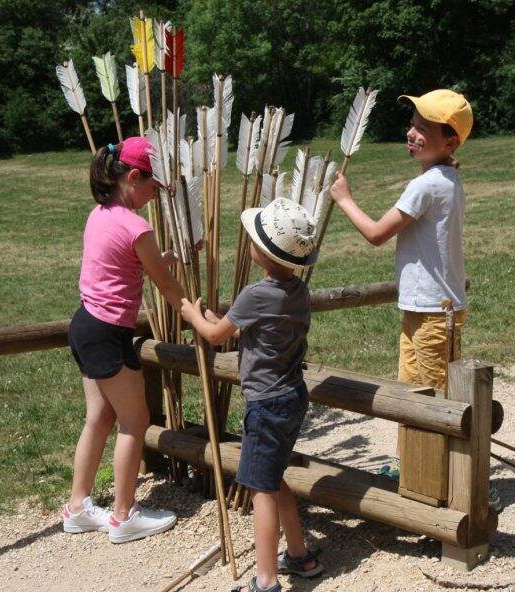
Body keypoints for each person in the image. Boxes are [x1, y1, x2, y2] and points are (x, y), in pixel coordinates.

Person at [181, 198, 323, 592]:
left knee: (261, 489)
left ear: (262, 252)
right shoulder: (297, 291)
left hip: (265, 405)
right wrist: (219, 321)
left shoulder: (254, 294)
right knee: (274, 478)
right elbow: (252, 330)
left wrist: (194, 317)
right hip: (292, 396)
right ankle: (300, 556)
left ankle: (266, 580)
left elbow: (215, 337)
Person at [62, 137, 186, 544]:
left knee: (98, 417)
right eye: (152, 186)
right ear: (133, 177)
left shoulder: (100, 214)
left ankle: (78, 508)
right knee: (135, 422)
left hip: (84, 324)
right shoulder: (137, 226)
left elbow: (126, 263)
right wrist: (199, 318)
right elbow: (168, 288)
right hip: (108, 332)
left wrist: (162, 260)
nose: (155, 195)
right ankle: (124, 515)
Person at [328, 88, 471, 393]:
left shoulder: (427, 185)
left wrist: (345, 200)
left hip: (434, 312)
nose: (411, 133)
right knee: (412, 395)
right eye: (412, 124)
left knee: (436, 400)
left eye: (424, 129)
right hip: (427, 308)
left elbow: (376, 234)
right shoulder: (447, 179)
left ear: (451, 142)